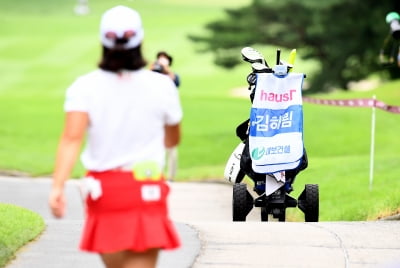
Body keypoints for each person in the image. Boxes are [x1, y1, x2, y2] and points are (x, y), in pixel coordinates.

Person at [48, 5, 182, 268]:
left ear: (102, 40)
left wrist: (57, 186)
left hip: (105, 191)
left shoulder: (84, 87)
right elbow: (172, 140)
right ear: (140, 39)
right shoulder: (162, 86)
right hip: (146, 187)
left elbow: (71, 139)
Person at [150, 51, 181, 181]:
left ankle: (171, 176)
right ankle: (157, 174)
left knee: (171, 149)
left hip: (167, 117)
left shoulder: (170, 78)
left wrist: (166, 70)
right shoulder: (150, 75)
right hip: (154, 117)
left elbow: (176, 82)